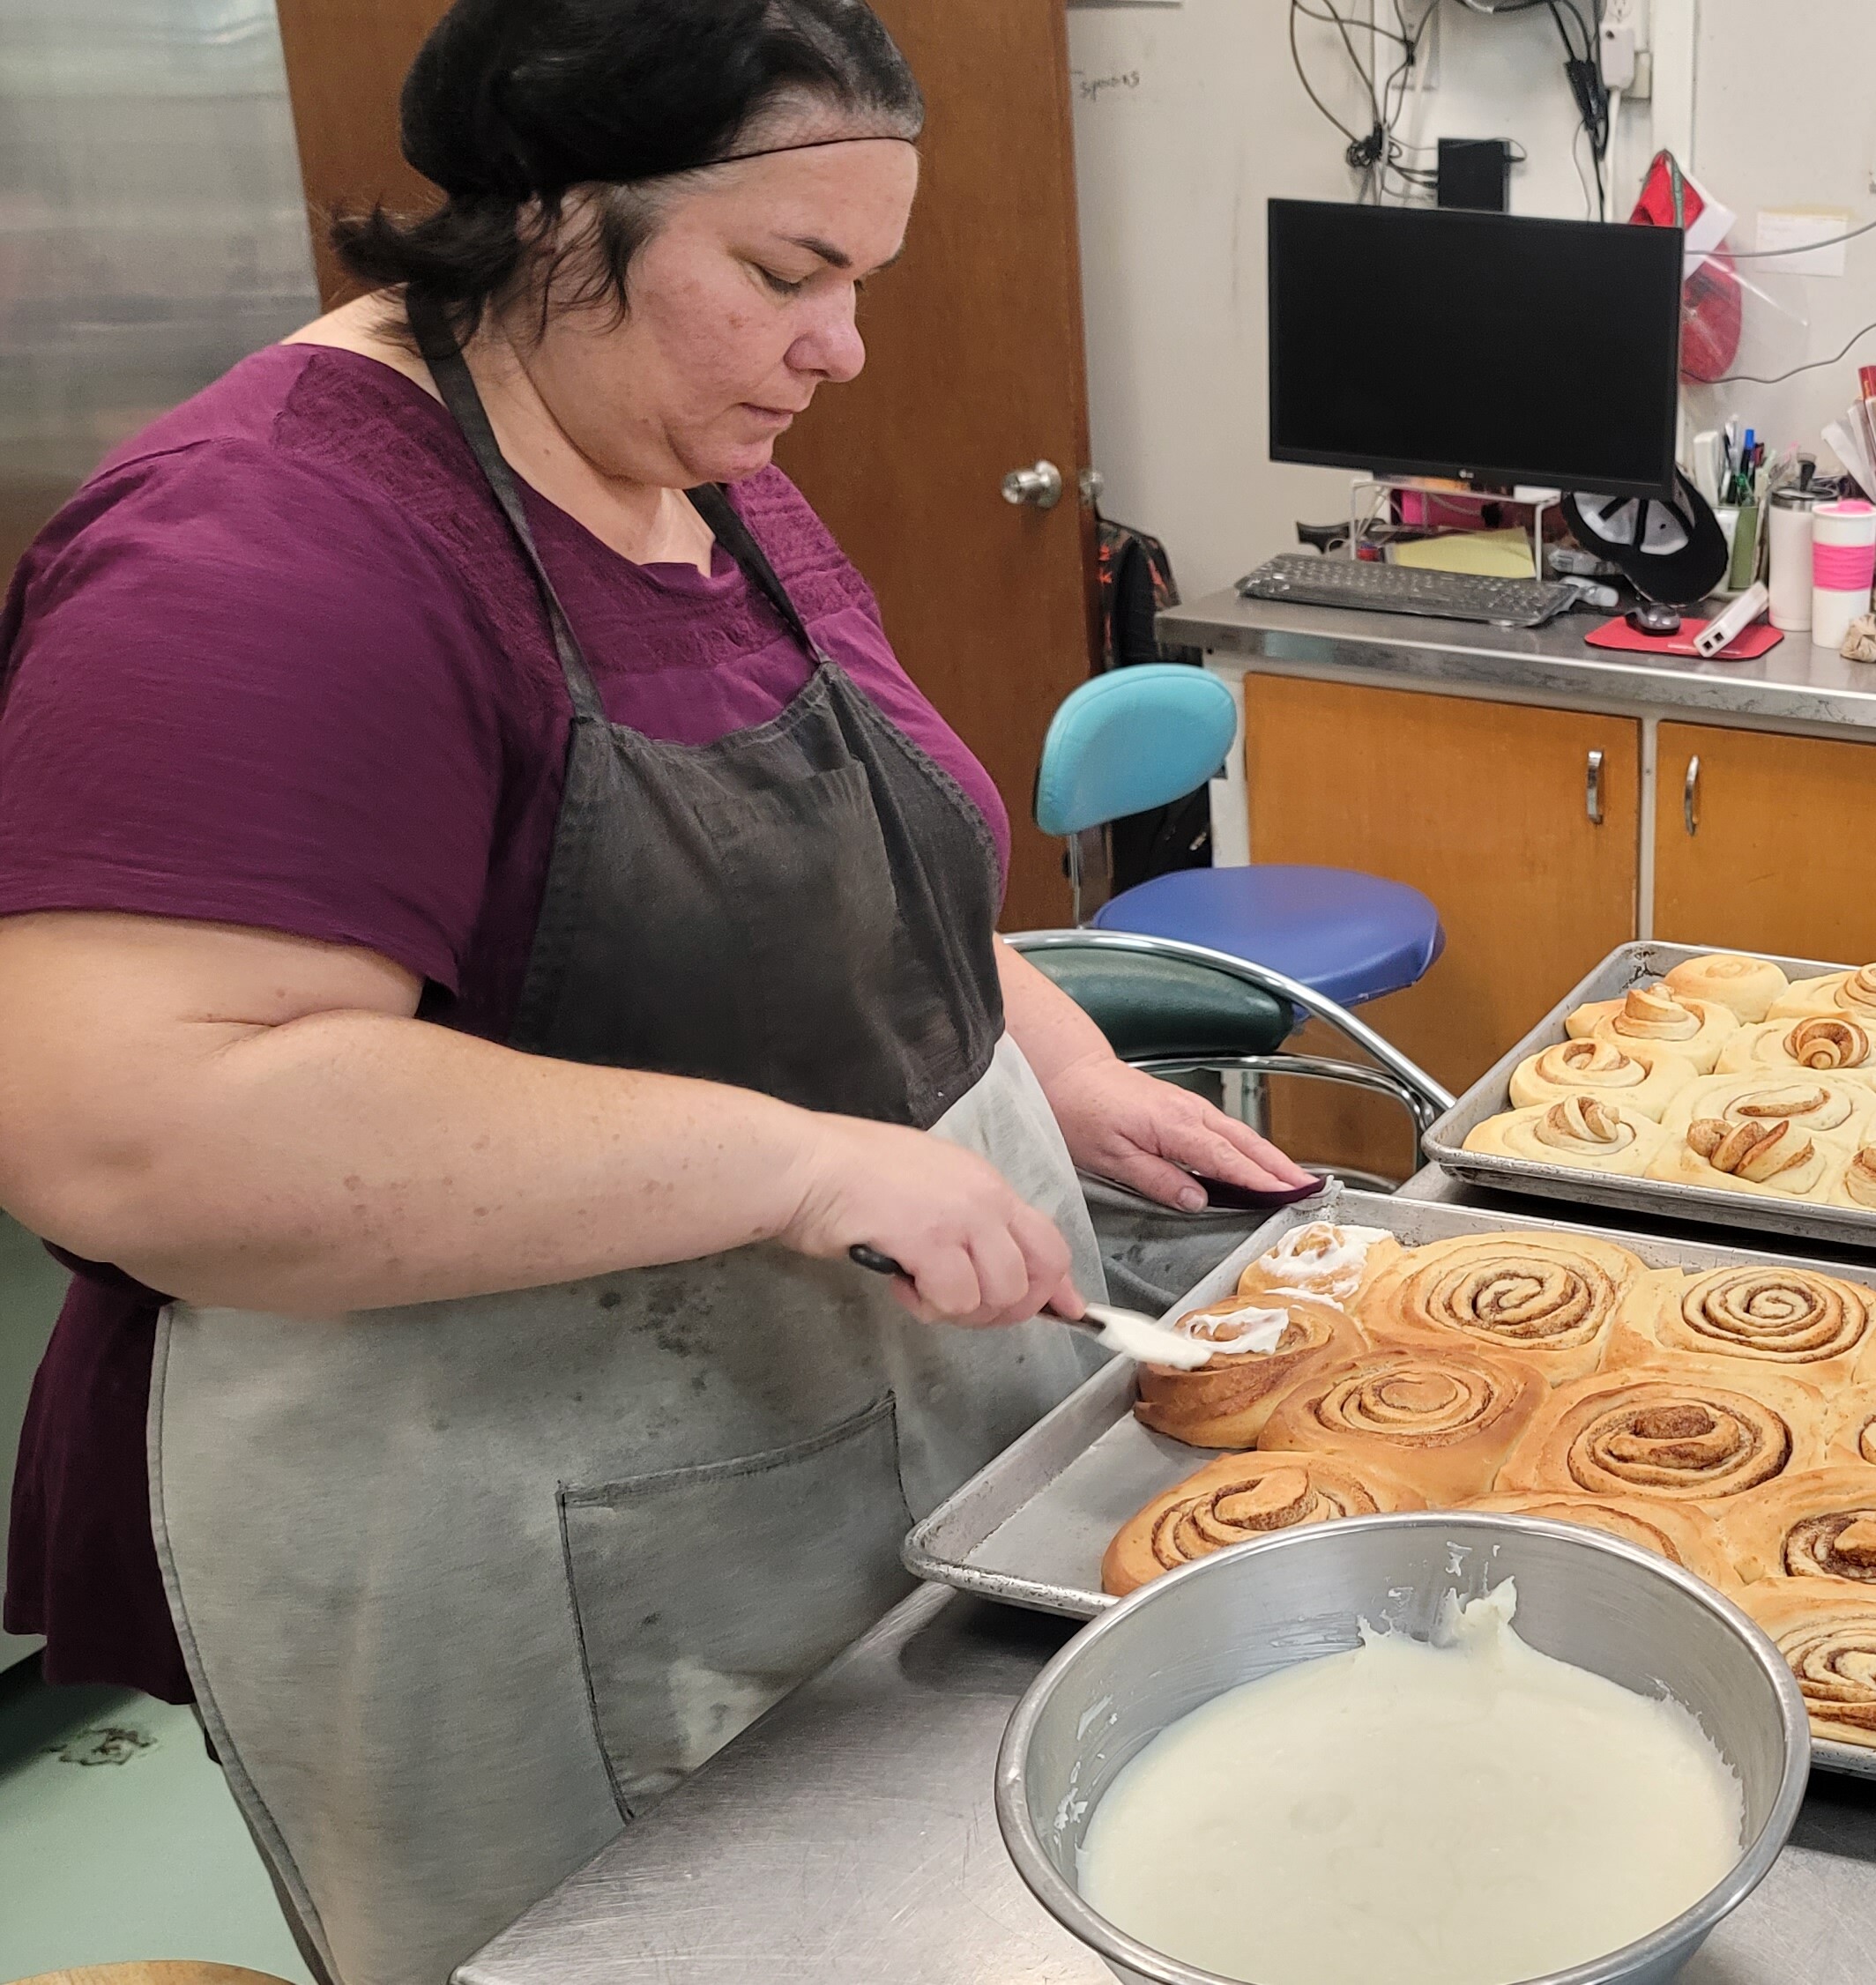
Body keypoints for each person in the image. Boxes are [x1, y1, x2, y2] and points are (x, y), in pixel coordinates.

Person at [0, 4, 1311, 1978]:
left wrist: (1044, 1062)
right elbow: (133, 1127)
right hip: (530, 1522)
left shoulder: (683, 455)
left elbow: (850, 853)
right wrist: (801, 1167)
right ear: (554, 216)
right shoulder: (264, 551)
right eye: (786, 274)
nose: (840, 349)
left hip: (869, 1436)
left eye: (861, 282)